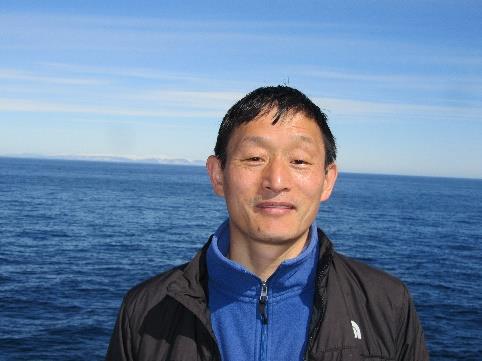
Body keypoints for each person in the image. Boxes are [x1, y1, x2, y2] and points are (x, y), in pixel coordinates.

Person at [106, 86, 429, 361]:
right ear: (218, 175)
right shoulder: (145, 311)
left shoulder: (387, 303)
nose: (276, 180)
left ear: (327, 180)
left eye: (299, 161)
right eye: (254, 158)